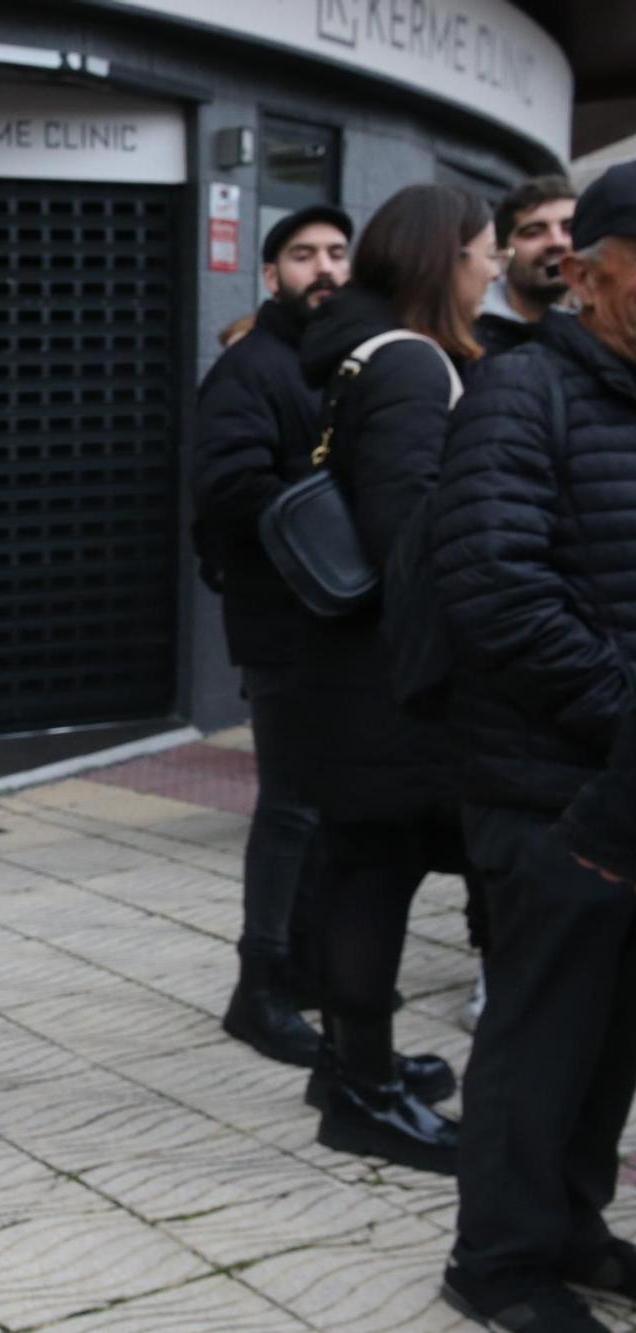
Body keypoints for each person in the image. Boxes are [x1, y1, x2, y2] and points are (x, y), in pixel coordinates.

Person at [435, 161, 636, 1333]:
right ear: (584, 273)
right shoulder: (522, 396)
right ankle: (496, 1260)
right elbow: (495, 594)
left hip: (622, 786)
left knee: (608, 1038)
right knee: (535, 1035)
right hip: (546, 793)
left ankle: (567, 1223)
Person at [290, 184, 499, 1174]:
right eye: (483, 250)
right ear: (441, 258)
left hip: (356, 670)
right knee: (375, 873)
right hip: (389, 679)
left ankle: (347, 1068)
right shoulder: (414, 366)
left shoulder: (370, 352)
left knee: (358, 867)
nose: (492, 266)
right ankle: (363, 1092)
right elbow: (410, 534)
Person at [192, 204, 352, 1070]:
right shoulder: (252, 367)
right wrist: (337, 530)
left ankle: (308, 970)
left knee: (325, 805)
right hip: (284, 625)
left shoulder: (341, 362)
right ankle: (259, 990)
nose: (322, 267)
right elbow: (227, 488)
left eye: (335, 252)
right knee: (289, 807)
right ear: (270, 273)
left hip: (336, 628)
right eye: (302, 254)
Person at [474, 175, 576, 358]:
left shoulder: (613, 333)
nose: (557, 242)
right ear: (502, 253)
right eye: (534, 232)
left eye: (569, 228)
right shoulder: (467, 339)